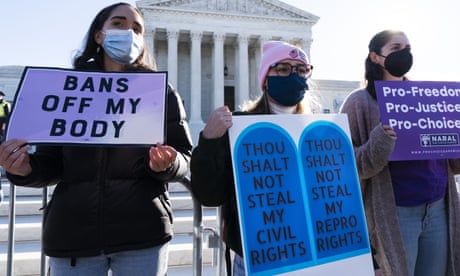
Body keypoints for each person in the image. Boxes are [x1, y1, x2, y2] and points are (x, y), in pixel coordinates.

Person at [0, 3, 193, 275]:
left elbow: (185, 155)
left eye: (137, 28)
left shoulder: (159, 92)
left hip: (142, 232)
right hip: (75, 234)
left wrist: (169, 164)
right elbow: (52, 162)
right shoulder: (68, 89)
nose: (129, 31)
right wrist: (25, 169)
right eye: (118, 23)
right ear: (98, 35)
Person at [339, 29, 460, 276]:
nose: (404, 54)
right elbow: (350, 166)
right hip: (396, 213)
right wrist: (381, 140)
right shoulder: (359, 102)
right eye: (396, 49)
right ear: (375, 57)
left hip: (438, 208)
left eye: (408, 49)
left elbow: (453, 163)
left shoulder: (428, 96)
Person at [190, 40, 315, 275]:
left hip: (310, 252)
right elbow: (209, 194)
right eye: (283, 69)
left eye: (301, 69)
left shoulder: (317, 132)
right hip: (255, 256)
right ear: (266, 78)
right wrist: (209, 140)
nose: (294, 76)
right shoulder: (238, 129)